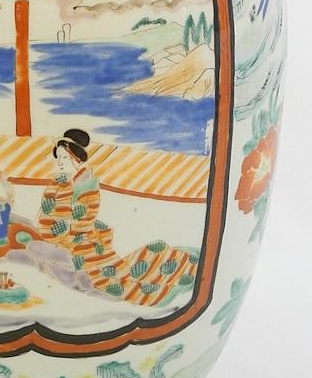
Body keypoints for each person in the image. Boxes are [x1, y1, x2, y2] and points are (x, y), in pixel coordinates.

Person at [37, 129, 194, 306]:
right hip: (64, 241)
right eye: (58, 157)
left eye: (65, 158)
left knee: (114, 280)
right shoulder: (59, 183)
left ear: (76, 159)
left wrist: (59, 238)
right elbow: (46, 216)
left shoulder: (87, 187)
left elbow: (82, 224)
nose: (59, 162)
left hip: (82, 245)